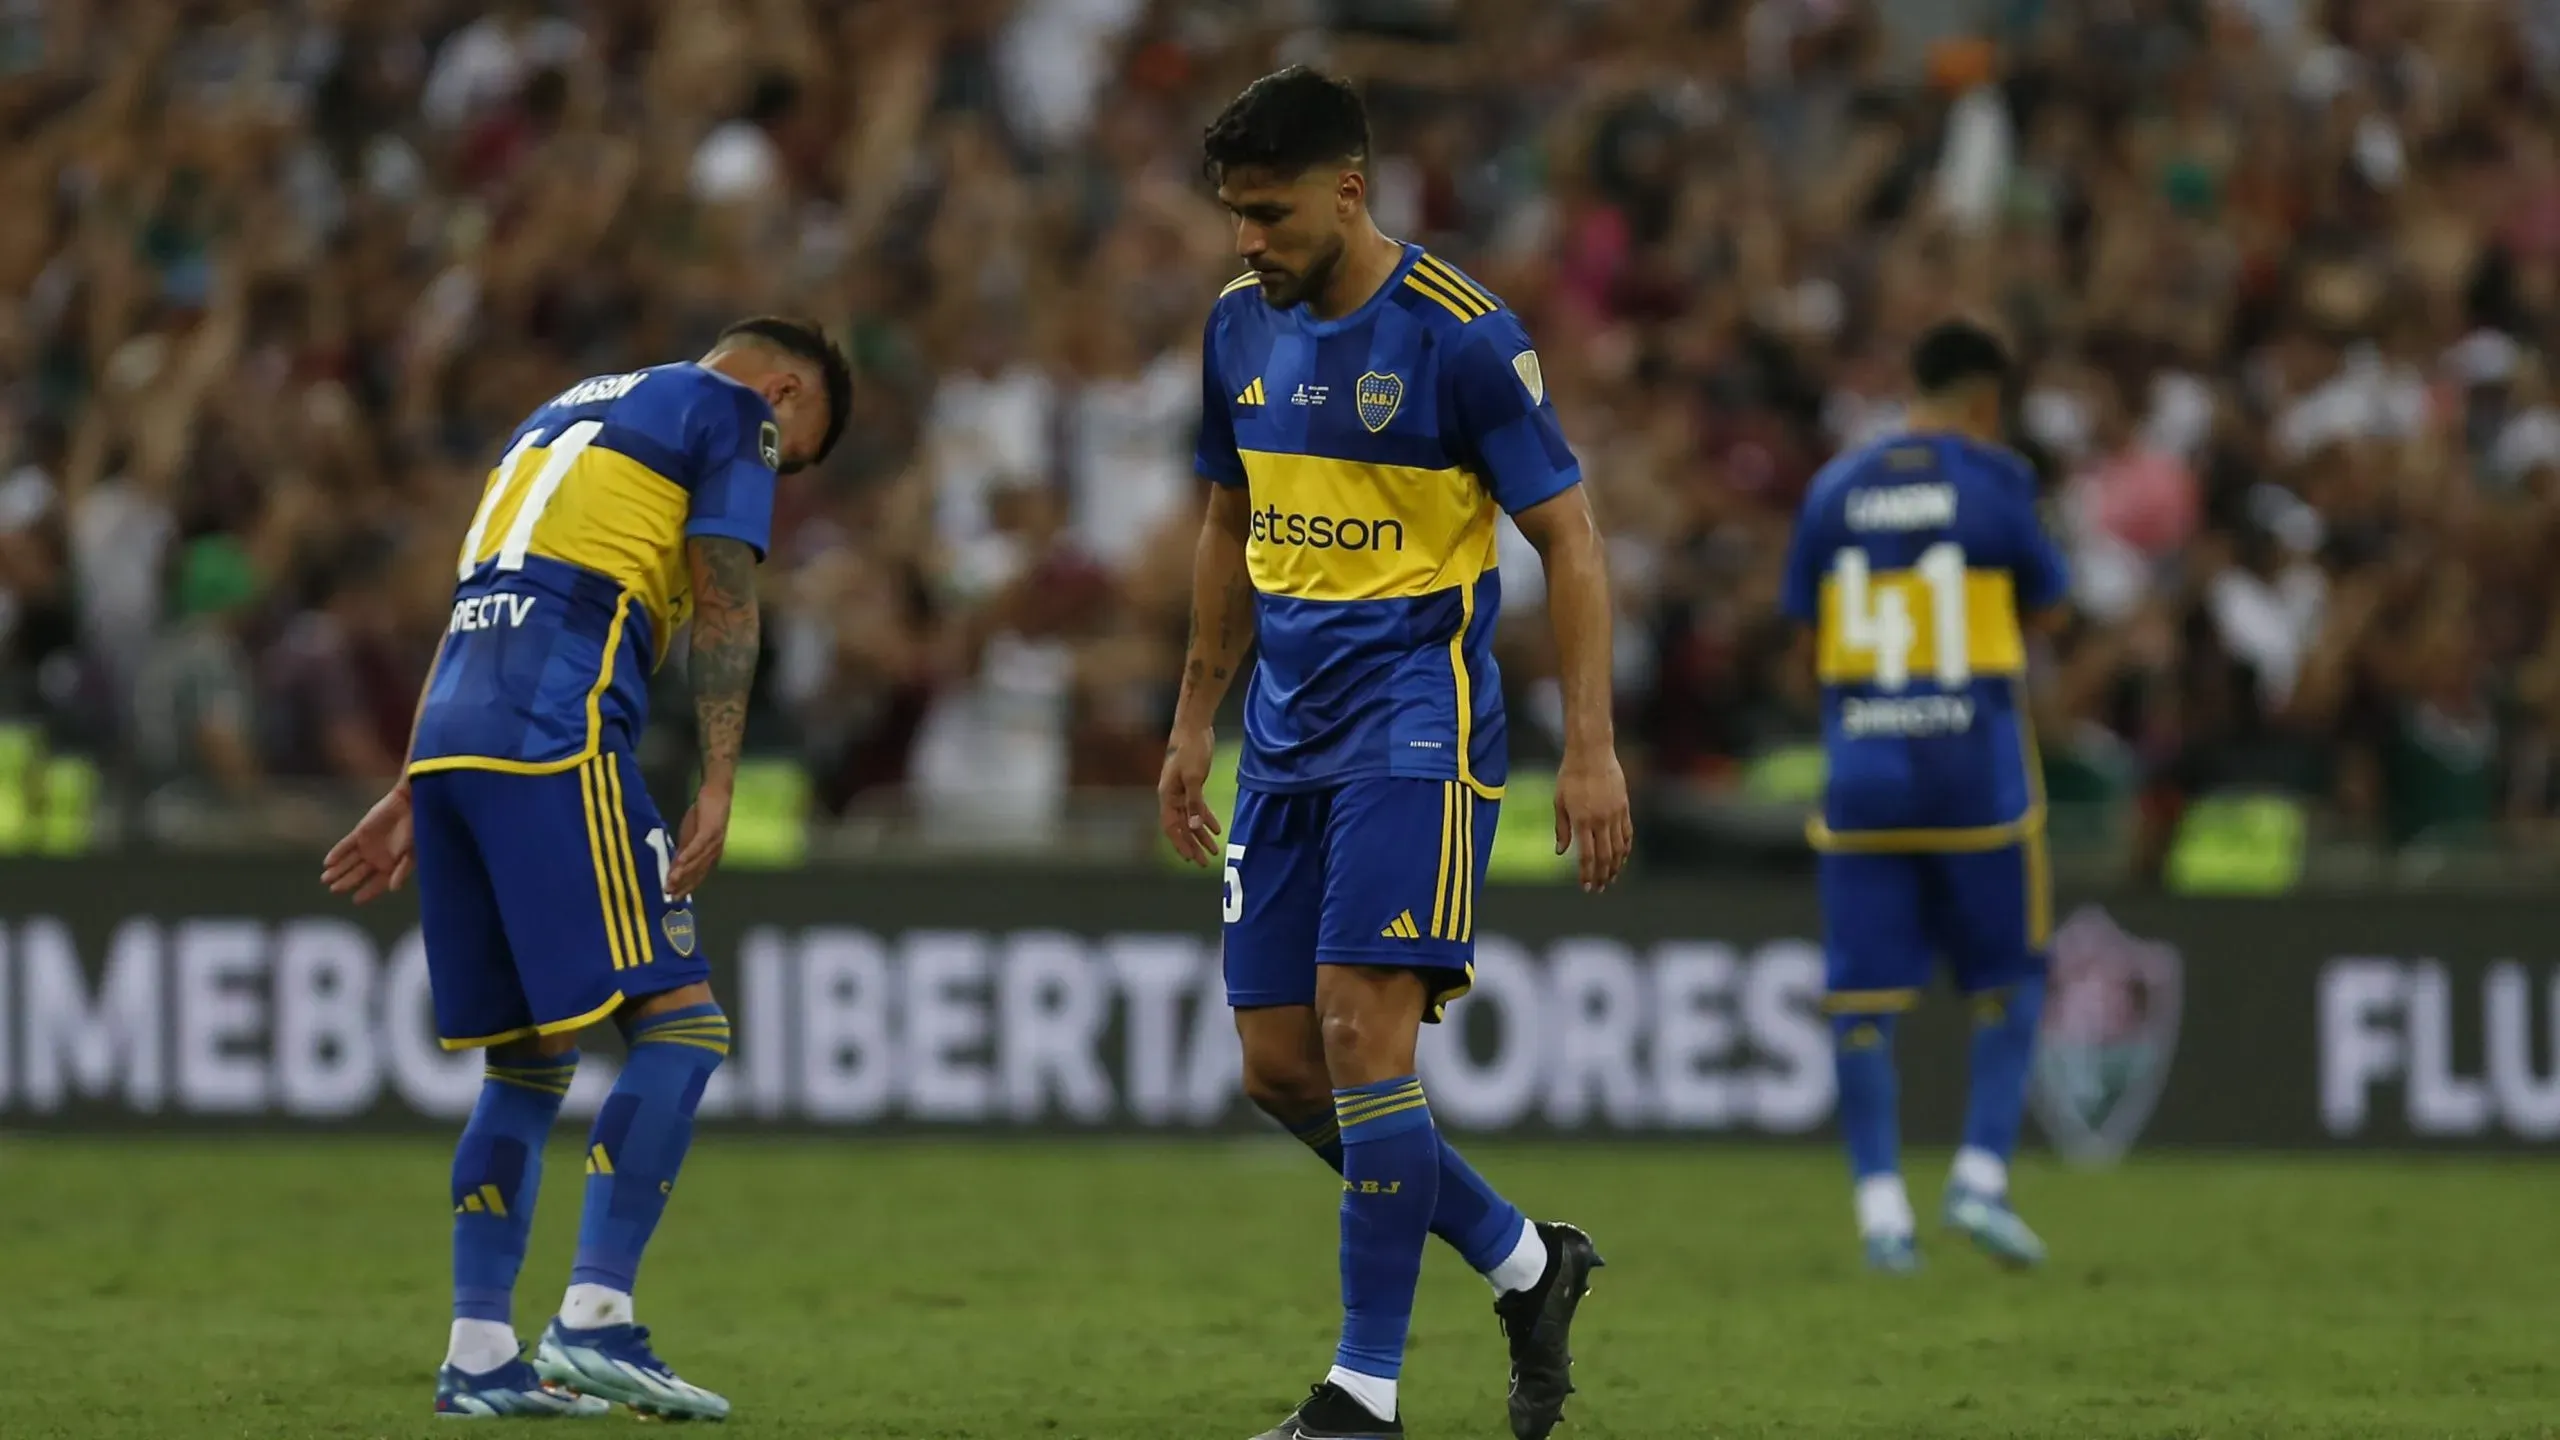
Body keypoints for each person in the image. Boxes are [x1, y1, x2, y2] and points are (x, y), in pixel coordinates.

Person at [1155, 67, 1634, 1440]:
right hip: (1283, 734)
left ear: (1349, 191)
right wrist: (1195, 720)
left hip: (1416, 724)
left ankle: (1360, 1397)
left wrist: (1589, 749)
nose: (1245, 238)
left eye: (1268, 210)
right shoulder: (1238, 326)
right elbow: (1221, 527)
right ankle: (1527, 1265)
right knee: (1280, 1069)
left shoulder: (1461, 336)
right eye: (1232, 213)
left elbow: (1573, 541)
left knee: (1365, 1042)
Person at [321, 317, 851, 1418]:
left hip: (457, 736)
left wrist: (418, 779)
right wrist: (717, 776)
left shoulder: (554, 414)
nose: (773, 474)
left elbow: (478, 598)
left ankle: (477, 1354)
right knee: (684, 1024)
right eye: (792, 460)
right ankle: (595, 1316)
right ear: (788, 393)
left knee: (526, 1062)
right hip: (555, 729)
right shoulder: (731, 411)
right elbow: (722, 596)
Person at [1776, 319, 2069, 1274]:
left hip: (1862, 774)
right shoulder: (1997, 482)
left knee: (1861, 1000)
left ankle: (1881, 1215)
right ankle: (1980, 1177)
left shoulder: (1831, 489)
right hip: (1973, 774)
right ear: (1986, 402)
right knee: (2010, 979)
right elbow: (2050, 602)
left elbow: (1799, 636)